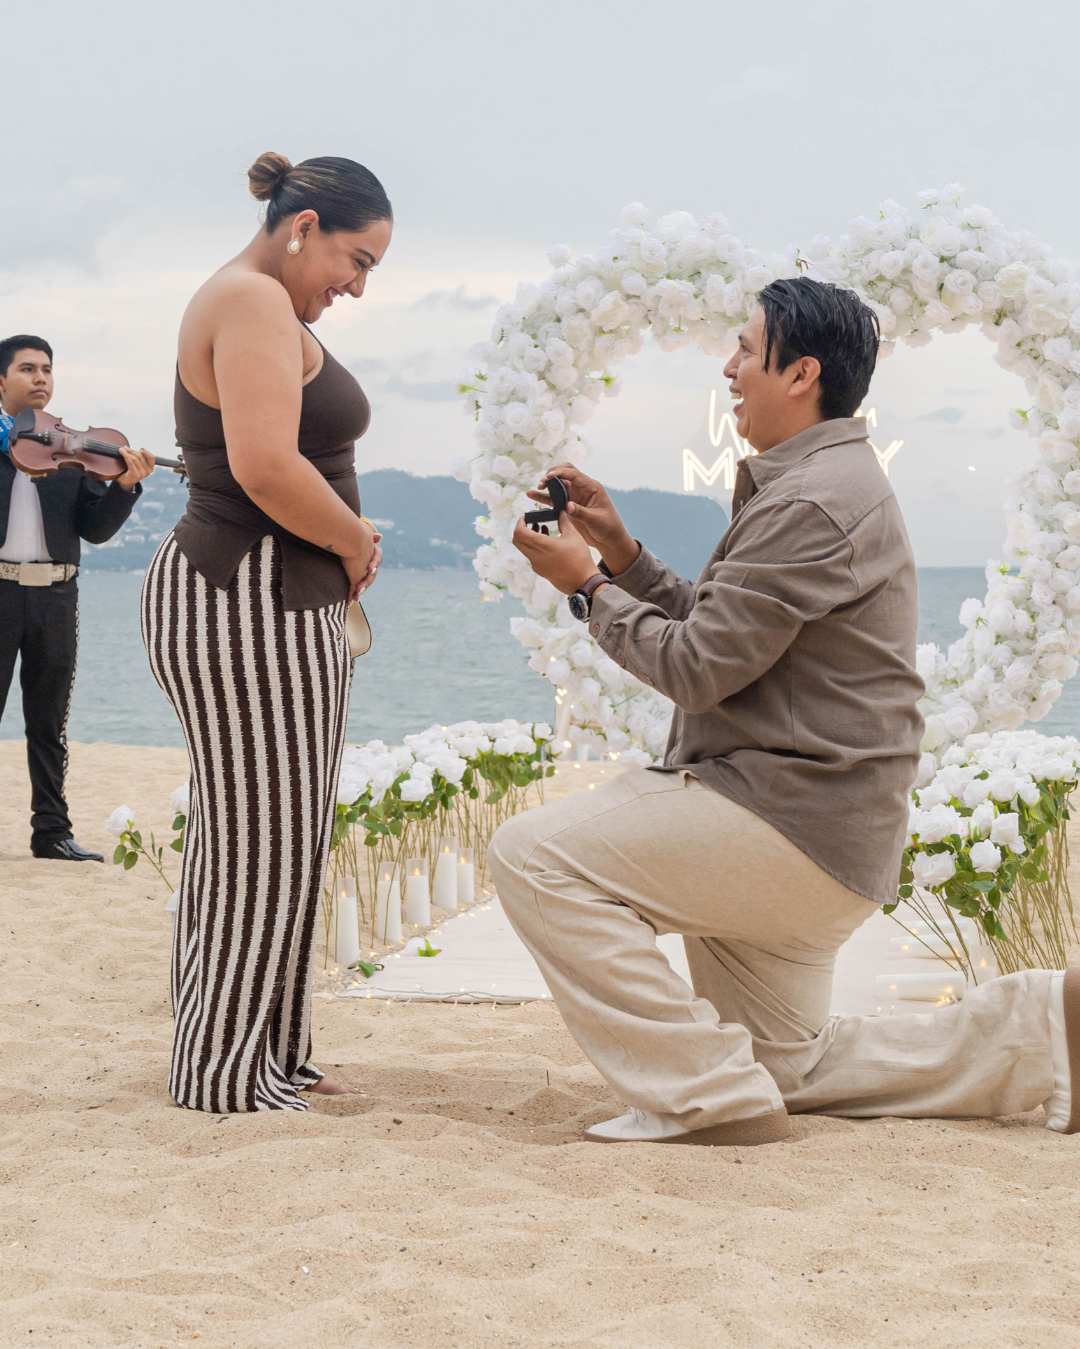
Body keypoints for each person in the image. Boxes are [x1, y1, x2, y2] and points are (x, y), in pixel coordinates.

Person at [492, 278, 1078, 1144]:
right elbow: (727, 630)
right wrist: (620, 552)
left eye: (744, 350)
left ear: (801, 373)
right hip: (826, 836)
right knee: (786, 1067)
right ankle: (1045, 1026)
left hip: (785, 824)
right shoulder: (824, 482)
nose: (728, 370)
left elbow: (695, 669)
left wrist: (584, 585)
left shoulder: (811, 498)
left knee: (533, 856)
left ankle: (703, 1098)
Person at [141, 152, 391, 1115]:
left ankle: (266, 1055)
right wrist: (355, 536)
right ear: (305, 225)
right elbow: (261, 465)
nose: (356, 285)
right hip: (244, 592)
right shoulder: (250, 301)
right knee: (263, 841)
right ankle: (225, 1073)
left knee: (265, 834)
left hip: (263, 595)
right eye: (355, 259)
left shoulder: (258, 302)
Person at [0, 335, 153, 861]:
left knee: (49, 722)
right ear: (1, 381)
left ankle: (52, 833)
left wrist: (125, 488)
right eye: (26, 369)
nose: (40, 378)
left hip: (56, 597)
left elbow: (95, 531)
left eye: (46, 369)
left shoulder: (71, 451)